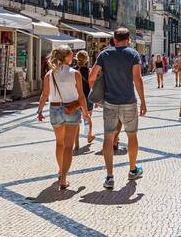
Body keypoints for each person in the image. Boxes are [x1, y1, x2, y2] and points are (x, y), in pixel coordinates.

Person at [89, 27, 147, 190]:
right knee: (131, 136)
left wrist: (97, 91)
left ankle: (109, 177)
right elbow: (137, 79)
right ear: (128, 40)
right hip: (129, 101)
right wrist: (143, 101)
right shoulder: (133, 54)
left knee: (108, 138)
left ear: (114, 39)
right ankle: (132, 169)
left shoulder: (104, 54)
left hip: (109, 102)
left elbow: (92, 76)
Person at [37, 46, 91, 190]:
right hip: (71, 110)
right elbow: (81, 96)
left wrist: (40, 110)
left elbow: (44, 94)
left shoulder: (50, 74)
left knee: (59, 143)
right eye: (71, 54)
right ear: (66, 57)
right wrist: (85, 112)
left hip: (55, 109)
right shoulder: (75, 73)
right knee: (68, 146)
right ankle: (64, 178)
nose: (73, 56)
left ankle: (61, 171)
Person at [74, 51, 95, 150]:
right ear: (87, 59)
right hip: (87, 97)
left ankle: (76, 143)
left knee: (76, 121)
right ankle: (88, 135)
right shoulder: (89, 71)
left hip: (75, 98)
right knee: (87, 118)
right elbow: (91, 86)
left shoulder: (73, 71)